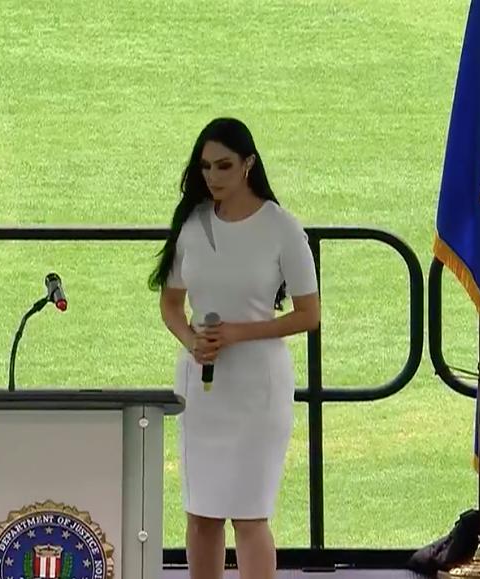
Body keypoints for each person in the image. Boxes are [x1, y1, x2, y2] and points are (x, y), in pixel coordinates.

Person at [149, 117, 321, 579]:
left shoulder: (282, 228)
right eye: (205, 167)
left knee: (249, 514)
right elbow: (171, 304)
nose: (213, 176)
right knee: (201, 514)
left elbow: (309, 314)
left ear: (248, 164)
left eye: (223, 165)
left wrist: (236, 333)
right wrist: (192, 341)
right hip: (201, 389)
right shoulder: (192, 225)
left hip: (258, 388)